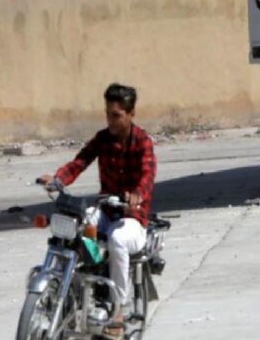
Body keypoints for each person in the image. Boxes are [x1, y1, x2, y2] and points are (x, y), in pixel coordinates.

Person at [38, 83, 156, 338]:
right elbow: (80, 161)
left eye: (117, 116)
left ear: (131, 113)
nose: (111, 121)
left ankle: (118, 309)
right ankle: (73, 288)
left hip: (132, 218)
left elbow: (147, 177)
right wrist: (58, 179)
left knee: (117, 240)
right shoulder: (102, 139)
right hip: (106, 211)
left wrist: (137, 195)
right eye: (108, 114)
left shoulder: (142, 143)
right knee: (78, 226)